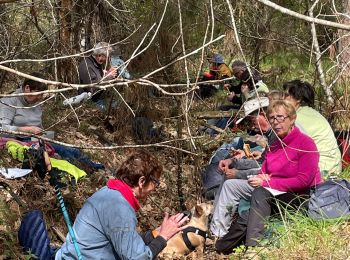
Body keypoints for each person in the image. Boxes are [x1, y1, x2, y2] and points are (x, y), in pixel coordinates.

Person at [215, 100, 321, 254]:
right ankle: (219, 240)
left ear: (292, 119)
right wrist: (261, 177)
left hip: (301, 196)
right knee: (239, 201)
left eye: (280, 117)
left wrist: (269, 182)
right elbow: (263, 171)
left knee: (260, 194)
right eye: (272, 118)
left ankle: (254, 247)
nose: (276, 122)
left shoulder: (305, 143)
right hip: (273, 192)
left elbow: (303, 181)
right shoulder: (275, 144)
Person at [55, 150, 189, 259]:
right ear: (142, 181)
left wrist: (156, 234)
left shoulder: (110, 193)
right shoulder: (119, 207)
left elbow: (125, 241)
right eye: (156, 182)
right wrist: (163, 237)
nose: (155, 188)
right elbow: (136, 258)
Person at [209, 96, 276, 237]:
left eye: (252, 121)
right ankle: (216, 220)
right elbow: (261, 162)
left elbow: (268, 170)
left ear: (263, 115)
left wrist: (238, 173)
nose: (252, 126)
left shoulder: (278, 136)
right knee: (227, 178)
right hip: (268, 178)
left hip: (275, 183)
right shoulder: (271, 135)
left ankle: (218, 233)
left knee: (230, 186)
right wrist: (233, 162)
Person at [283, 80, 342, 176]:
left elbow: (289, 151)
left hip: (323, 169)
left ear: (298, 99)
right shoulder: (311, 113)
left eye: (286, 96)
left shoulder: (297, 118)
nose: (282, 99)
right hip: (333, 166)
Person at [78, 42, 117, 108]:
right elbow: (93, 88)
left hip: (98, 98)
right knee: (115, 107)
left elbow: (97, 78)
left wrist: (105, 73)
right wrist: (108, 76)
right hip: (90, 102)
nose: (108, 59)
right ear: (99, 56)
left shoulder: (95, 63)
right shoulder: (87, 66)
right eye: (107, 57)